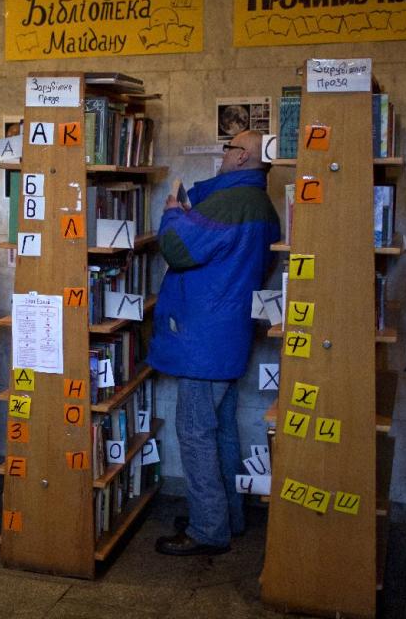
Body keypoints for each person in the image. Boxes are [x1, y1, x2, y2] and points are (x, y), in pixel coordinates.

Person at [148, 130, 280, 556]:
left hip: (204, 338)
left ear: (242, 157)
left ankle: (208, 530)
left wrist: (172, 213)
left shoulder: (229, 202)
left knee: (195, 433)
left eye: (229, 148)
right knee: (220, 430)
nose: (223, 155)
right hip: (228, 333)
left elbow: (176, 248)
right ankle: (228, 517)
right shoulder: (261, 205)